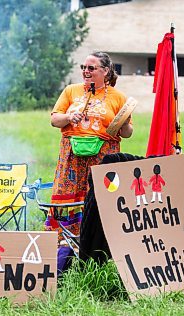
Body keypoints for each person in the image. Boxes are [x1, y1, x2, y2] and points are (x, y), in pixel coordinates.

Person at [47, 51, 133, 239]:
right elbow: (54, 120)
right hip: (72, 156)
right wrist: (69, 117)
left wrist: (125, 122)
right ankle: (63, 243)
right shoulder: (71, 91)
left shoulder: (118, 97)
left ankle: (97, 242)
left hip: (103, 156)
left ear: (106, 71)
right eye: (83, 67)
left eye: (91, 68)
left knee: (100, 198)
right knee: (66, 196)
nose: (86, 71)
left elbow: (127, 134)